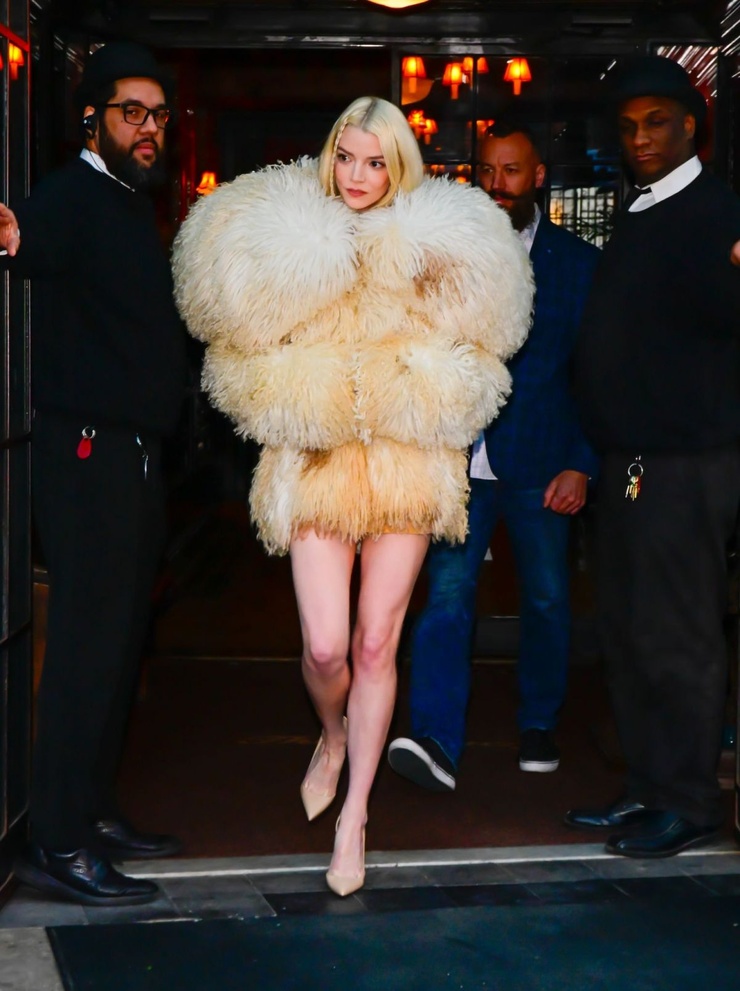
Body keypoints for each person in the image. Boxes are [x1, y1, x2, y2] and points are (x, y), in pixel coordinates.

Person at [172, 97, 533, 895]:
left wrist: (417, 391)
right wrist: (307, 396)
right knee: (326, 648)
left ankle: (355, 815)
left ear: (398, 165)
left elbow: (485, 353)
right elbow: (233, 352)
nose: (358, 175)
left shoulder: (438, 242)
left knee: (376, 645)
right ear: (328, 155)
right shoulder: (286, 238)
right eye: (346, 156)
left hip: (406, 462)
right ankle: (332, 735)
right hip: (318, 456)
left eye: (376, 161)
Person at [0, 42, 187, 906]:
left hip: (131, 453)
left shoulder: (126, 200)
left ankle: (93, 809)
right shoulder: (71, 196)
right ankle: (58, 839)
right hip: (86, 452)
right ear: (92, 119)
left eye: (158, 115)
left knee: (118, 642)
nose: (148, 129)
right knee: (83, 647)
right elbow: (26, 239)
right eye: (130, 113)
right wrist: (13, 233)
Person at [387, 123, 599, 792]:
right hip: (458, 462)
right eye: (487, 170)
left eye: (511, 170)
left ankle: (538, 722)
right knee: (446, 597)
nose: (497, 183)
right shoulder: (446, 257)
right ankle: (436, 738)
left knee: (547, 599)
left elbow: (596, 375)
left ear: (537, 177)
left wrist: (582, 462)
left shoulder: (578, 264)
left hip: (543, 461)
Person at [568, 55, 740, 858]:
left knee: (679, 634)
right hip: (631, 460)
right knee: (628, 631)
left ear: (691, 127)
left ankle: (692, 799)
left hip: (688, 459)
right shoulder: (642, 209)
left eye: (657, 123)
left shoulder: (716, 211)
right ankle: (648, 783)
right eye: (630, 126)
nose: (640, 138)